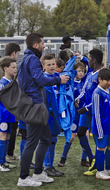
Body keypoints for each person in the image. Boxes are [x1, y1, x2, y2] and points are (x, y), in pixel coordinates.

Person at [17, 33, 69, 187]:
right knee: (31, 143)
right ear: (35, 45)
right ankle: (23, 177)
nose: (44, 46)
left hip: (35, 105)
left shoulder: (24, 59)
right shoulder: (32, 59)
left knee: (46, 137)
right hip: (35, 106)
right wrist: (58, 79)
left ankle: (38, 172)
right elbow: (40, 79)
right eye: (42, 43)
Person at [74, 49, 104, 176]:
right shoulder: (91, 73)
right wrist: (78, 98)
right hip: (86, 110)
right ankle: (91, 157)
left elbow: (101, 96)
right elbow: (85, 90)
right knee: (81, 133)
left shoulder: (102, 75)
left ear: (94, 60)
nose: (88, 61)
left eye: (89, 59)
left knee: (97, 137)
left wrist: (86, 107)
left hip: (96, 111)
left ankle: (98, 164)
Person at [58, 61, 90, 167]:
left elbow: (90, 68)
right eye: (79, 71)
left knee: (86, 136)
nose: (81, 73)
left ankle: (84, 159)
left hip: (84, 114)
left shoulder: (85, 81)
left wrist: (83, 58)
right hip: (75, 115)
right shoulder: (71, 83)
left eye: (82, 71)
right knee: (71, 137)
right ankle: (63, 158)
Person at [92, 68, 110, 180]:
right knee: (101, 148)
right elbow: (96, 114)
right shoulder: (97, 93)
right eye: (107, 80)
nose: (109, 83)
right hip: (101, 128)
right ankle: (99, 171)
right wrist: (99, 131)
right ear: (100, 79)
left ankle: (109, 169)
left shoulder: (109, 91)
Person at [41, 54, 64, 177]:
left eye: (53, 64)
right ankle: (47, 166)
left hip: (56, 115)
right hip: (48, 115)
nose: (51, 66)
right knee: (47, 141)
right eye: (48, 64)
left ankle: (50, 165)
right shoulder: (43, 79)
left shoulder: (57, 76)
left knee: (53, 140)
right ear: (43, 66)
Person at [0, 58, 17, 172]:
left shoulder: (11, 82)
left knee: (7, 137)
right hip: (3, 115)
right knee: (1, 137)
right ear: (6, 69)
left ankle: (4, 161)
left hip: (9, 114)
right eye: (13, 67)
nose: (15, 69)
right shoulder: (2, 83)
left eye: (16, 67)